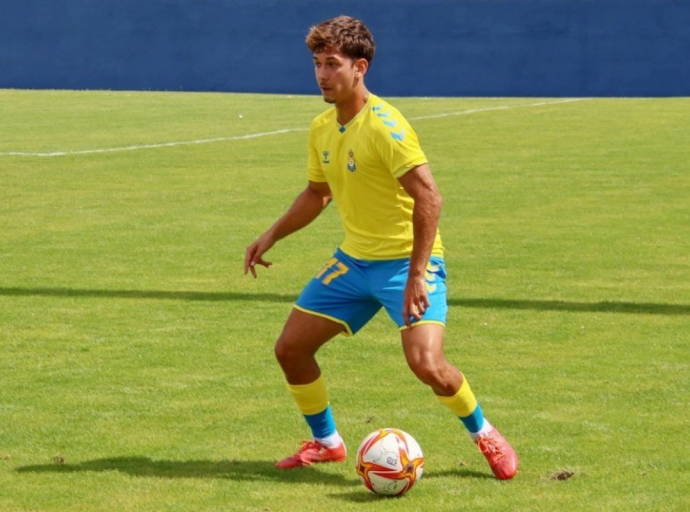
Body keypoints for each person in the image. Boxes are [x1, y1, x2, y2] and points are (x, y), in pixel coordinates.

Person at [244, 15, 518, 480]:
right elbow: (317, 194)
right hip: (354, 262)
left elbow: (429, 196)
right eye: (317, 64)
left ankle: (484, 432)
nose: (322, 75)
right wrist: (271, 234)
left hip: (407, 264)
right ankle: (328, 442)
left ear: (360, 67)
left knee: (427, 364)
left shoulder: (386, 127)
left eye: (332, 64)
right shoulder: (322, 127)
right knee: (290, 349)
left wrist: (416, 275)